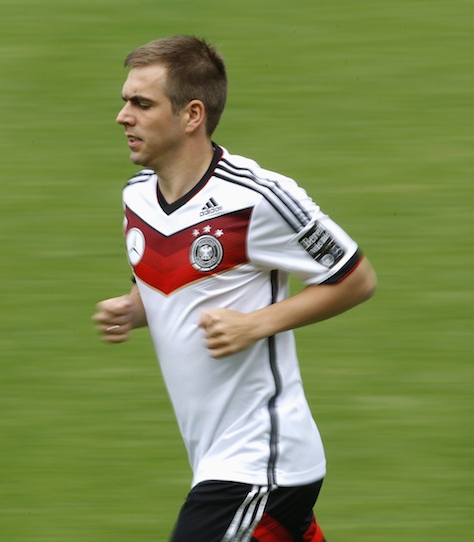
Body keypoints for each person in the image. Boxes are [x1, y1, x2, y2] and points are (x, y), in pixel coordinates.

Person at [92, 35, 377, 542]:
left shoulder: (257, 197)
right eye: (124, 101)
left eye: (141, 103)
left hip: (261, 459)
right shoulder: (137, 197)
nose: (123, 116)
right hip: (217, 455)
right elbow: (170, 285)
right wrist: (133, 309)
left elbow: (356, 278)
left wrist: (255, 324)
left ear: (192, 115)